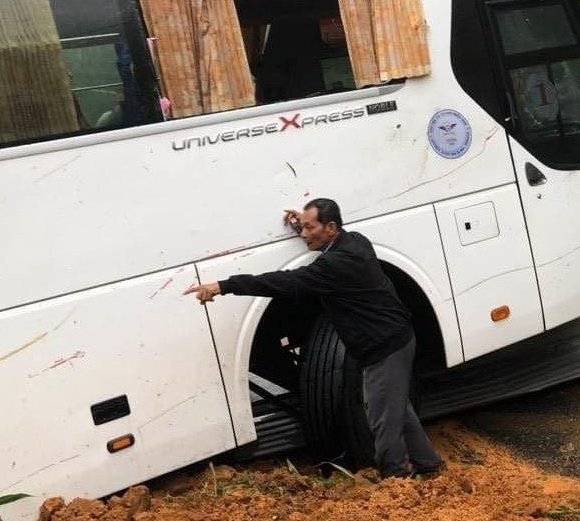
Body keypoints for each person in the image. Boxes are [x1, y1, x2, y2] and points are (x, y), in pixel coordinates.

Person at [183, 198, 443, 479]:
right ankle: (429, 465)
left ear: (330, 228)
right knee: (395, 409)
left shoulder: (335, 265)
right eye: (302, 228)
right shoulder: (355, 240)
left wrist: (224, 286)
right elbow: (319, 243)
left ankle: (398, 480)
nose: (304, 234)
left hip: (385, 348)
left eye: (310, 228)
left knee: (382, 421)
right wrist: (302, 223)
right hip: (394, 340)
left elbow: (282, 282)